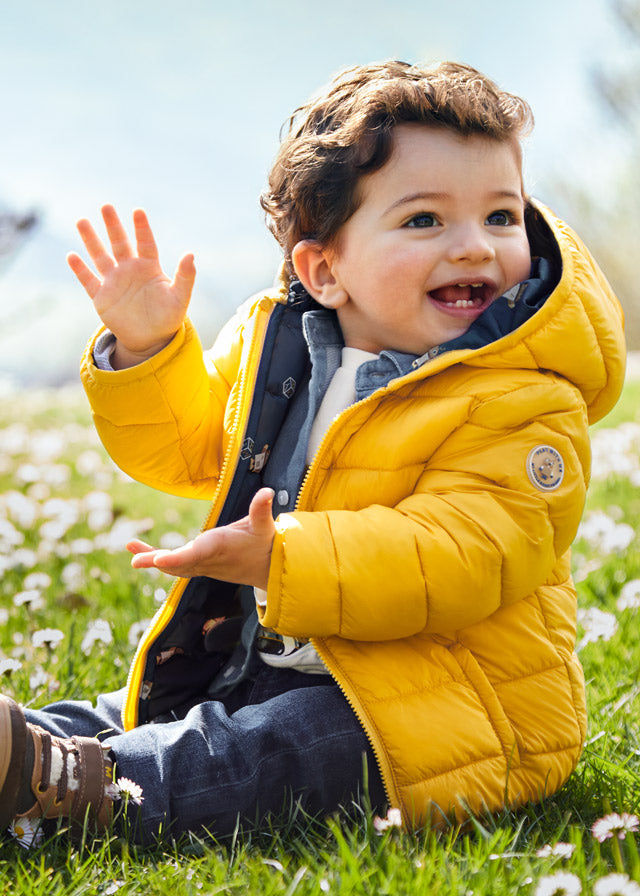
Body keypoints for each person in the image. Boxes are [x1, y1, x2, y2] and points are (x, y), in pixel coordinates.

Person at [0, 61, 626, 842]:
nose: (476, 247)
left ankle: (67, 790)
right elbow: (190, 451)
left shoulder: (523, 397)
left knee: (254, 755)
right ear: (324, 270)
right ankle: (30, 753)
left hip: (443, 707)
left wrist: (281, 559)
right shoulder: (283, 348)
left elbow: (467, 551)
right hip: (280, 663)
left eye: (502, 217)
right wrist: (149, 349)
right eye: (426, 221)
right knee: (123, 715)